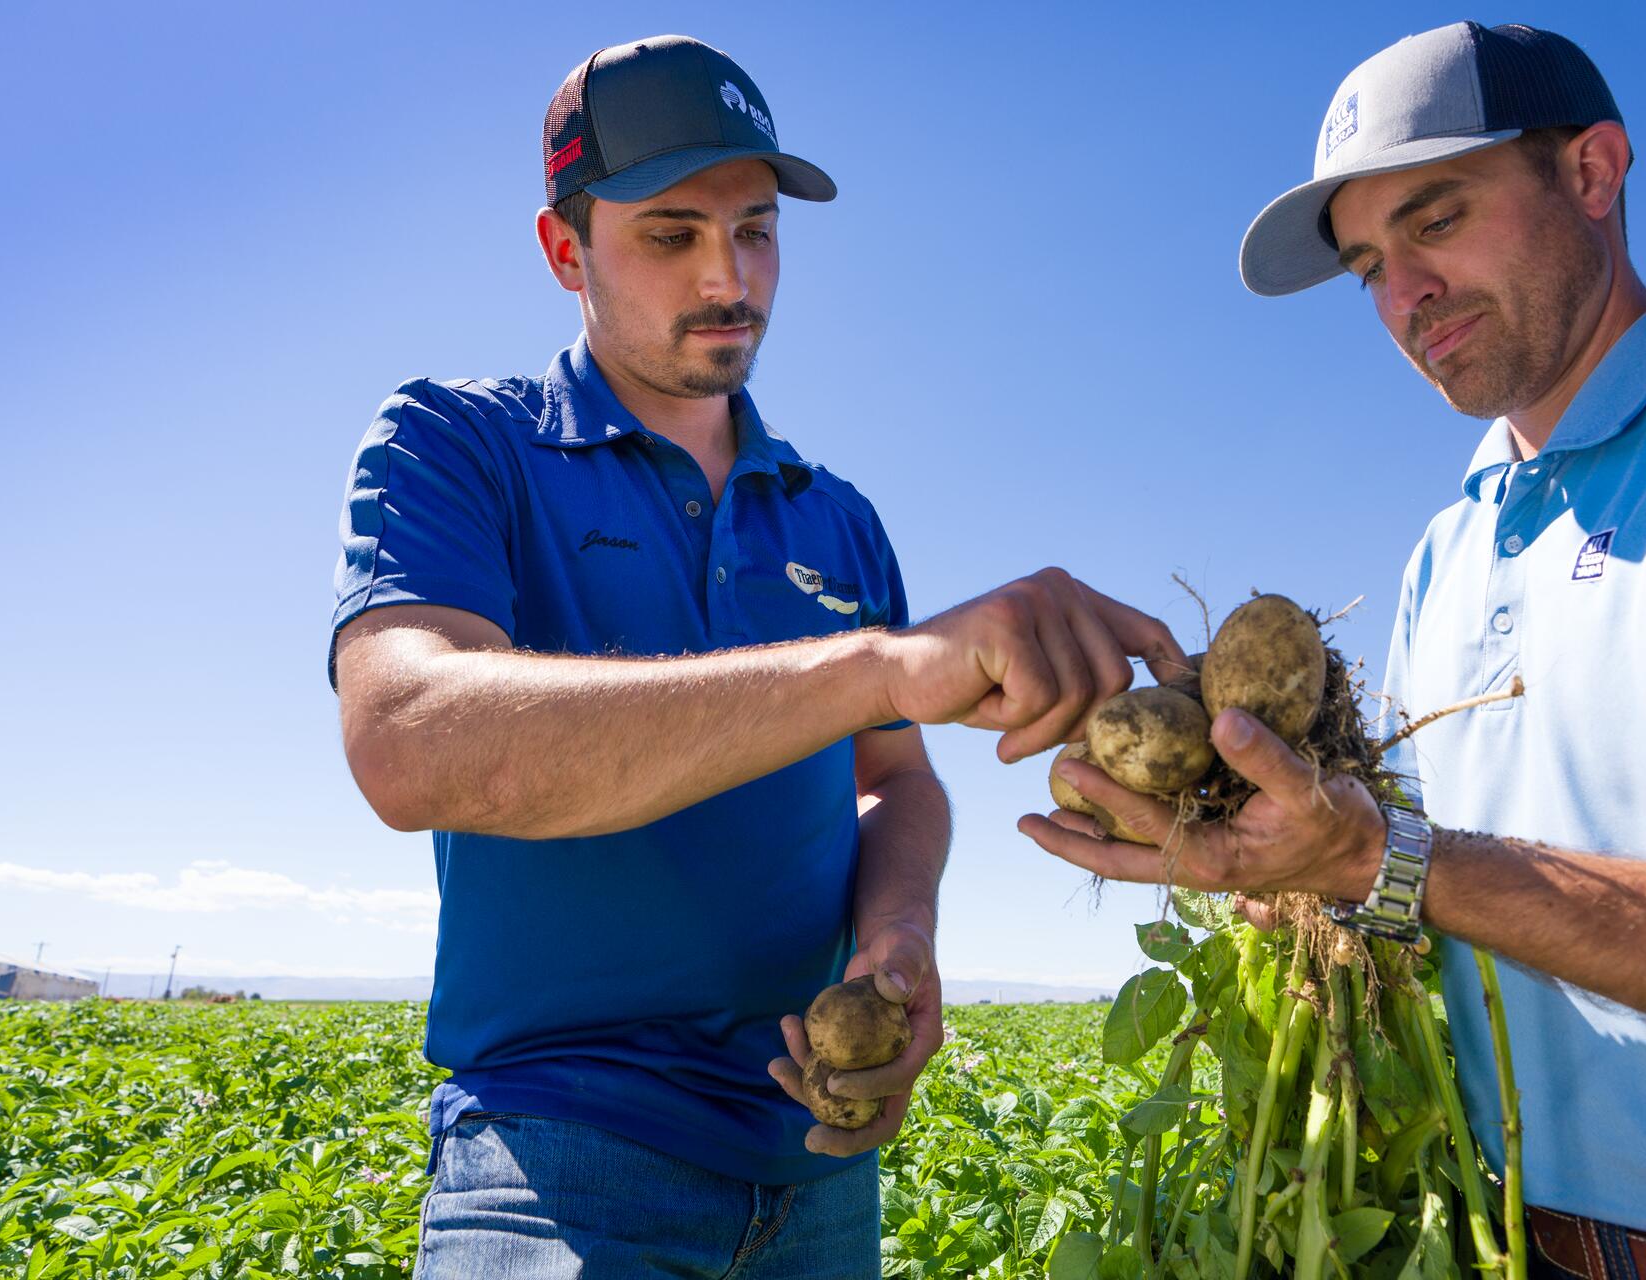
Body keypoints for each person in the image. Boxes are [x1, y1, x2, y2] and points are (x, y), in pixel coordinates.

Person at [1022, 21, 1646, 1280]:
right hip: (1520, 1246)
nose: (1401, 297)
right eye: (1370, 264)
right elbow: (1458, 894)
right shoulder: (1450, 544)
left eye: (1436, 222)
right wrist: (1287, 864)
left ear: (1593, 174)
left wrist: (1393, 857)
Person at [330, 35, 1185, 1279]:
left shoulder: (835, 516)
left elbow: (894, 776)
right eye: (671, 234)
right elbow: (408, 740)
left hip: (821, 1162)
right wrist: (875, 667)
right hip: (557, 1158)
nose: (730, 276)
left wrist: (898, 936)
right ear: (566, 250)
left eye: (757, 229)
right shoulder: (459, 442)